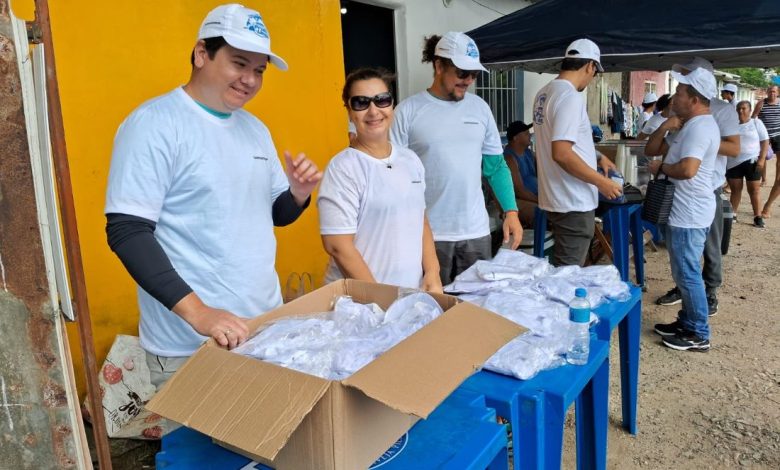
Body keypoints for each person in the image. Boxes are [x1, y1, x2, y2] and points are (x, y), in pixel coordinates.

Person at [104, 4, 322, 388]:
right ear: (201, 53)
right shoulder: (155, 124)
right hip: (192, 346)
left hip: (263, 329)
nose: (250, 80)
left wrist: (298, 194)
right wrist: (199, 312)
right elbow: (127, 231)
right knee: (203, 434)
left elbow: (276, 214)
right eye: (239, 63)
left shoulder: (255, 129)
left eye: (259, 70)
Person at [391, 32, 522, 285]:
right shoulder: (407, 112)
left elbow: (495, 167)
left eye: (473, 74)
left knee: (476, 305)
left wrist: (511, 211)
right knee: (429, 305)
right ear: (439, 66)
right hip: (426, 234)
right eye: (462, 73)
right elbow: (392, 174)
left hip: (476, 232)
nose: (469, 80)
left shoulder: (480, 108)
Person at [318, 68, 442, 292]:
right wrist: (379, 297)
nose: (373, 111)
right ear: (349, 111)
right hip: (361, 300)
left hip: (408, 295)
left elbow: (420, 220)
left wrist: (432, 272)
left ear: (392, 105)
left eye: (382, 100)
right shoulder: (343, 168)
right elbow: (337, 245)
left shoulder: (410, 160)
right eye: (361, 103)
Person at [652, 57, 740, 315]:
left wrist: (699, 143)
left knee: (708, 246)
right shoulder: (684, 111)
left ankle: (708, 292)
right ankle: (687, 294)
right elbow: (659, 144)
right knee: (683, 257)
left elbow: (735, 148)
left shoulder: (717, 114)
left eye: (684, 84)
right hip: (680, 189)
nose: (677, 91)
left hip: (706, 186)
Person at [647, 67, 720, 352]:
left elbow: (688, 169)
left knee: (688, 274)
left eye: (679, 93)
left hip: (690, 213)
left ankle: (699, 332)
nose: (674, 97)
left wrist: (661, 168)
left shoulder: (700, 128)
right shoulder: (690, 125)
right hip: (684, 211)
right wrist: (665, 127)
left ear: (694, 99)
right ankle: (688, 322)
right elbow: (652, 149)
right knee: (683, 273)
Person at [531, 38, 622, 267]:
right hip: (573, 201)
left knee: (563, 269)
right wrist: (602, 182)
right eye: (595, 73)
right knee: (567, 276)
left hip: (556, 197)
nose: (592, 79)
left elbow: (562, 141)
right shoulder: (569, 97)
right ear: (590, 66)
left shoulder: (544, 93)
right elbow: (562, 153)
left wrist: (598, 157)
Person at [727, 101, 769, 227]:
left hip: (752, 161)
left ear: (750, 110)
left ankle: (758, 216)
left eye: (744, 108)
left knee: (754, 190)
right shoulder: (731, 125)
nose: (741, 111)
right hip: (734, 162)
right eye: (738, 108)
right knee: (735, 190)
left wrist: (762, 159)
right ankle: (733, 214)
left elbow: (765, 141)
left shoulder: (756, 123)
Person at [503, 121, 538, 228]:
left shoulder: (528, 153)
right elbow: (520, 191)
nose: (530, 135)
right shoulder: (509, 158)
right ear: (515, 138)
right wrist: (541, 201)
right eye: (526, 133)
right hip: (520, 200)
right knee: (543, 213)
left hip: (535, 196)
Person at [755, 85, 780, 217]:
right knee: (761, 161)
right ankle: (762, 180)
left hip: (778, 136)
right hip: (764, 137)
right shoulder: (761, 104)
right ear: (767, 92)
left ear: (778, 93)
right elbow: (753, 119)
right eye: (770, 91)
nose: (772, 93)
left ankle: (767, 206)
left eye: (774, 91)